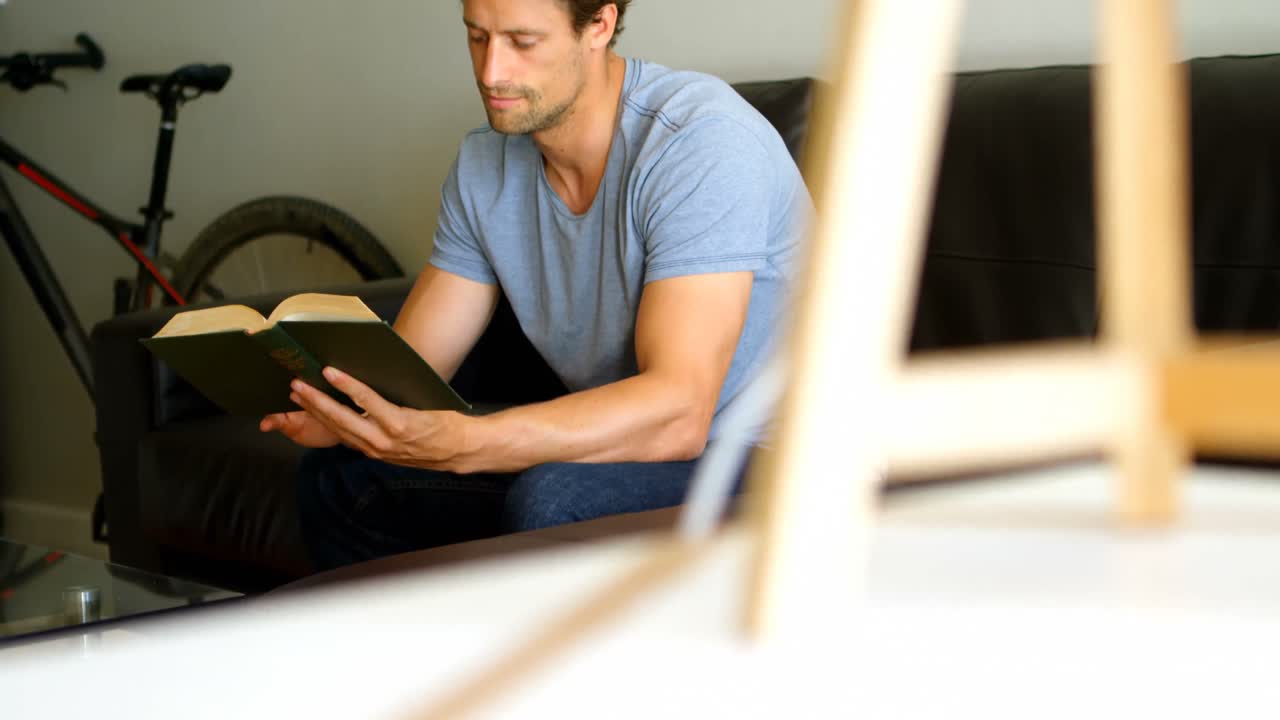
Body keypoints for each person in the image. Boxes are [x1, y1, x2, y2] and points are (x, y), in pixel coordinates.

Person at [261, 0, 812, 570]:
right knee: (342, 481)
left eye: (523, 42)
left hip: (771, 457)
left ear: (599, 24)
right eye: (477, 37)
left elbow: (678, 413)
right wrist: (341, 409)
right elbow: (415, 370)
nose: (491, 72)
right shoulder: (485, 164)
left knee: (555, 498)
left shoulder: (700, 143)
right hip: (630, 452)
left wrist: (468, 443)